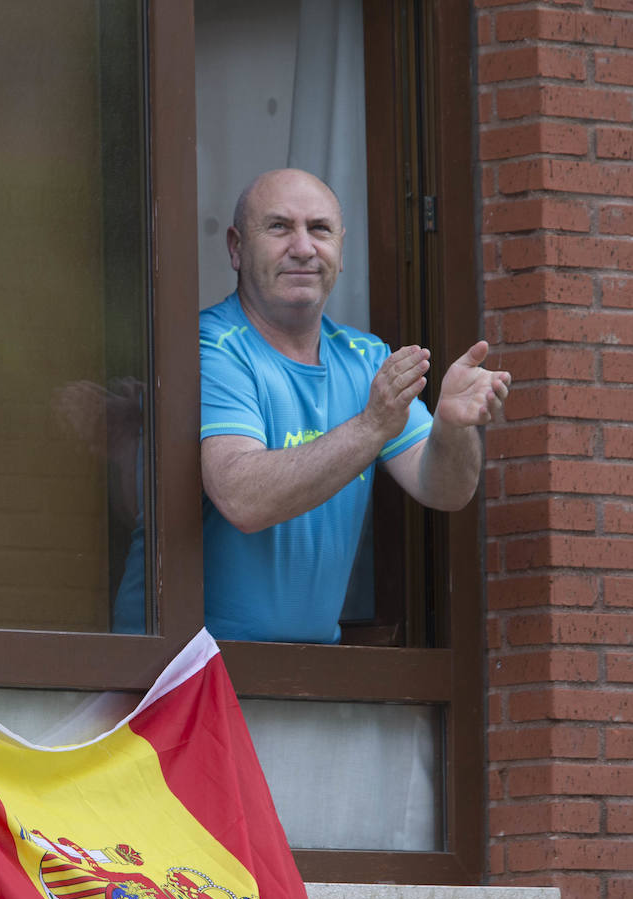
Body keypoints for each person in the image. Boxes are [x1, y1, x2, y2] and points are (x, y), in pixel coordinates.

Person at [200, 169, 510, 643]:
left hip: (308, 673)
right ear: (237, 248)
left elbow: (444, 489)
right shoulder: (213, 346)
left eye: (320, 229)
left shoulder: (366, 359)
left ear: (341, 250)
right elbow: (243, 499)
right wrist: (371, 427)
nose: (303, 248)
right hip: (188, 677)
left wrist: (452, 427)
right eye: (279, 227)